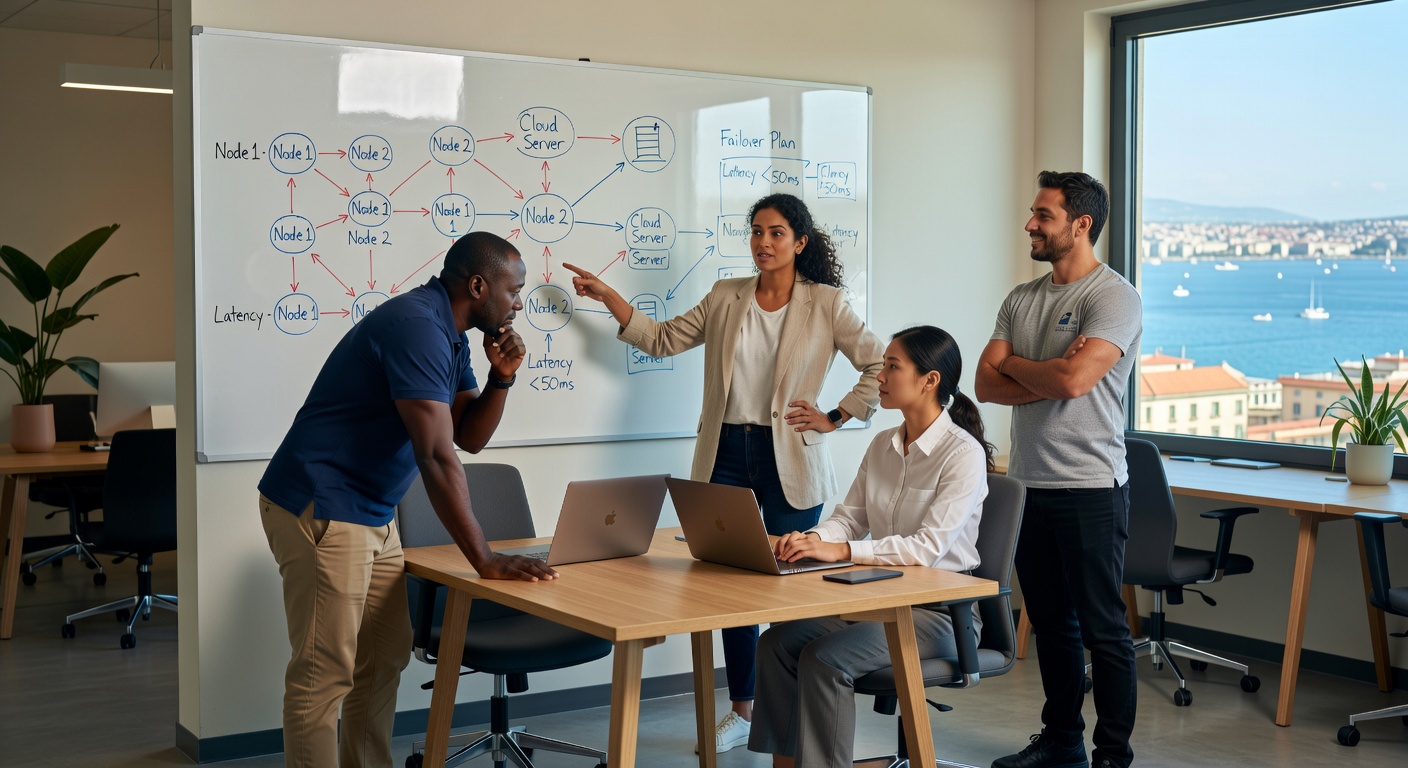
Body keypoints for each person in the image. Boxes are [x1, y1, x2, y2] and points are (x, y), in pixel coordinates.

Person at [564, 192, 884, 753]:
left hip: (791, 454)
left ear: (800, 242)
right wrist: (609, 297)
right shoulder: (725, 295)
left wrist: (835, 415)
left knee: (793, 585)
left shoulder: (827, 302)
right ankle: (743, 709)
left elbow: (880, 363)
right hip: (726, 451)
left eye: (777, 232)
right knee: (732, 588)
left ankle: (797, 710)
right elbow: (662, 339)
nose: (764, 242)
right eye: (757, 231)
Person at [257, 231, 557, 768]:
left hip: (371, 510)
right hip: (324, 507)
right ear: (478, 285)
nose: (518, 304)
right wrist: (484, 559)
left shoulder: (450, 334)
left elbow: (468, 436)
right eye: (513, 290)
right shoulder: (417, 328)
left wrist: (501, 380)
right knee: (323, 675)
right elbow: (437, 457)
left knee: (383, 659)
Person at [747, 325, 994, 768]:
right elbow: (850, 519)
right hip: (880, 602)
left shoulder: (962, 454)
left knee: (825, 658)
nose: (880, 376)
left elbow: (927, 548)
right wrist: (813, 539)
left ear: (930, 380)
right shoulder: (882, 445)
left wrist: (843, 552)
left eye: (892, 367)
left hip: (941, 613)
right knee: (777, 644)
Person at [976, 171, 1142, 768]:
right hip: (1028, 487)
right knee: (1049, 623)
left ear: (1081, 225)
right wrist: (1045, 370)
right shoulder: (1020, 298)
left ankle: (1112, 756)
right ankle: (1062, 741)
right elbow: (984, 384)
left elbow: (1074, 381)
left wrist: (1021, 366)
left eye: (1043, 215)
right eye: (1033, 213)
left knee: (1104, 629)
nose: (1030, 224)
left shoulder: (1113, 297)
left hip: (1090, 487)